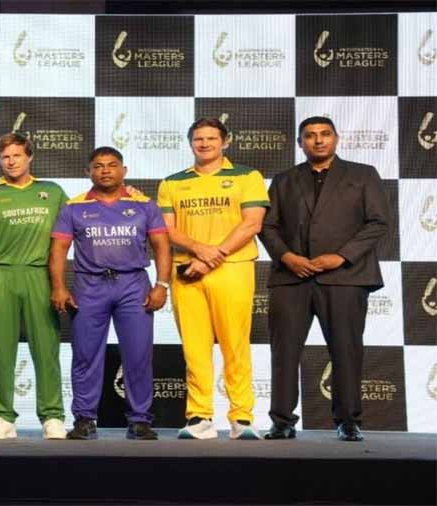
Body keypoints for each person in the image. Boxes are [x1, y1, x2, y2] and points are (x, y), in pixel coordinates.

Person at [260, 116, 389, 442]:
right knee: (284, 353)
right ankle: (282, 422)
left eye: (325, 134)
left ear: (336, 138)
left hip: (345, 276)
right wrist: (287, 257)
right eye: (310, 135)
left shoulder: (363, 174)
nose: (318, 140)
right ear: (300, 142)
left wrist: (341, 256)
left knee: (346, 351)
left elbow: (377, 222)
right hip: (291, 278)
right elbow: (267, 225)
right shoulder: (285, 179)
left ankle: (348, 421)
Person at [156, 117, 269, 440]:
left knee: (235, 345)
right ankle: (199, 416)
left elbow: (252, 224)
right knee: (195, 348)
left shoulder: (247, 176)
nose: (204, 144)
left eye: (211, 138)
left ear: (226, 141)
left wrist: (212, 256)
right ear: (191, 143)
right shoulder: (172, 182)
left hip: (232, 268)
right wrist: (199, 249)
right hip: (187, 271)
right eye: (198, 139)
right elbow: (166, 229)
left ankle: (241, 417)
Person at [49, 146, 171, 440]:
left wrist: (162, 285)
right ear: (88, 172)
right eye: (98, 166)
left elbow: (162, 246)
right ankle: (84, 419)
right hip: (89, 286)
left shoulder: (144, 205)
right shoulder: (73, 207)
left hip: (133, 285)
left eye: (112, 165)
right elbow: (58, 250)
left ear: (124, 170)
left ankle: (140, 420)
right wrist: (59, 287)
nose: (105, 170)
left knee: (138, 355)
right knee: (85, 356)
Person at [0, 133, 67, 440]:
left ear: (29, 157)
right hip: (0, 274)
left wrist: (130, 192)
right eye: (5, 157)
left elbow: (78, 220)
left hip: (40, 274)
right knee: (1, 349)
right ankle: (3, 416)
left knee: (46, 348)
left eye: (16, 155)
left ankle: (52, 416)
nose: (11, 162)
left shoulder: (51, 192)